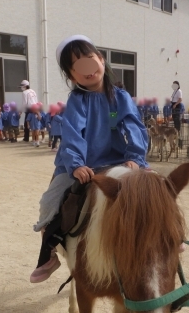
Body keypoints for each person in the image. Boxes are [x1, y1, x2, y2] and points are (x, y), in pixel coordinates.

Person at [30, 34, 148, 283]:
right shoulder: (78, 100)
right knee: (50, 200)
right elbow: (73, 133)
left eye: (89, 60)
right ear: (72, 76)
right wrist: (76, 164)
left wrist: (135, 157)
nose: (87, 70)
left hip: (116, 160)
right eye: (77, 66)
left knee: (154, 186)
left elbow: (132, 127)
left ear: (101, 61)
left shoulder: (119, 98)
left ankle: (165, 235)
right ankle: (48, 254)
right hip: (79, 164)